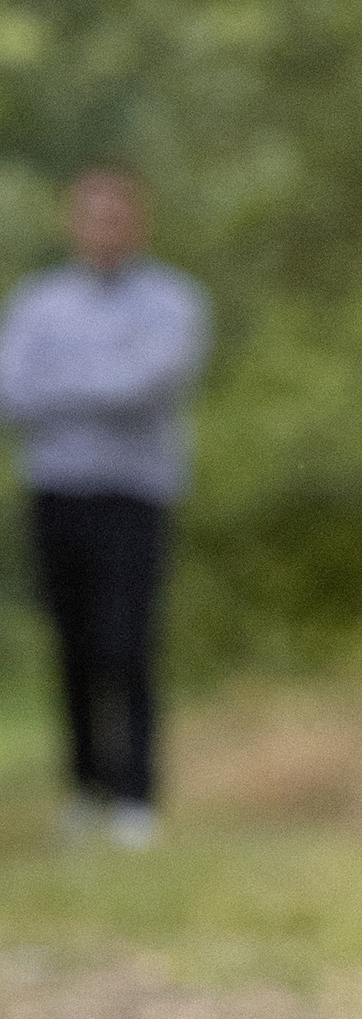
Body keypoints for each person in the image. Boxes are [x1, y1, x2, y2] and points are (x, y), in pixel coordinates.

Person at [0, 166, 208, 846]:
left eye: (116, 214)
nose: (104, 226)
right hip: (56, 489)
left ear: (138, 222)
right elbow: (10, 391)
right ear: (73, 223)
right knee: (73, 644)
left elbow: (150, 387)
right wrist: (102, 380)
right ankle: (84, 788)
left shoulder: (174, 299)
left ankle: (136, 795)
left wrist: (60, 386)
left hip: (135, 493)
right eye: (92, 214)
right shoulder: (39, 302)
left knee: (128, 642)